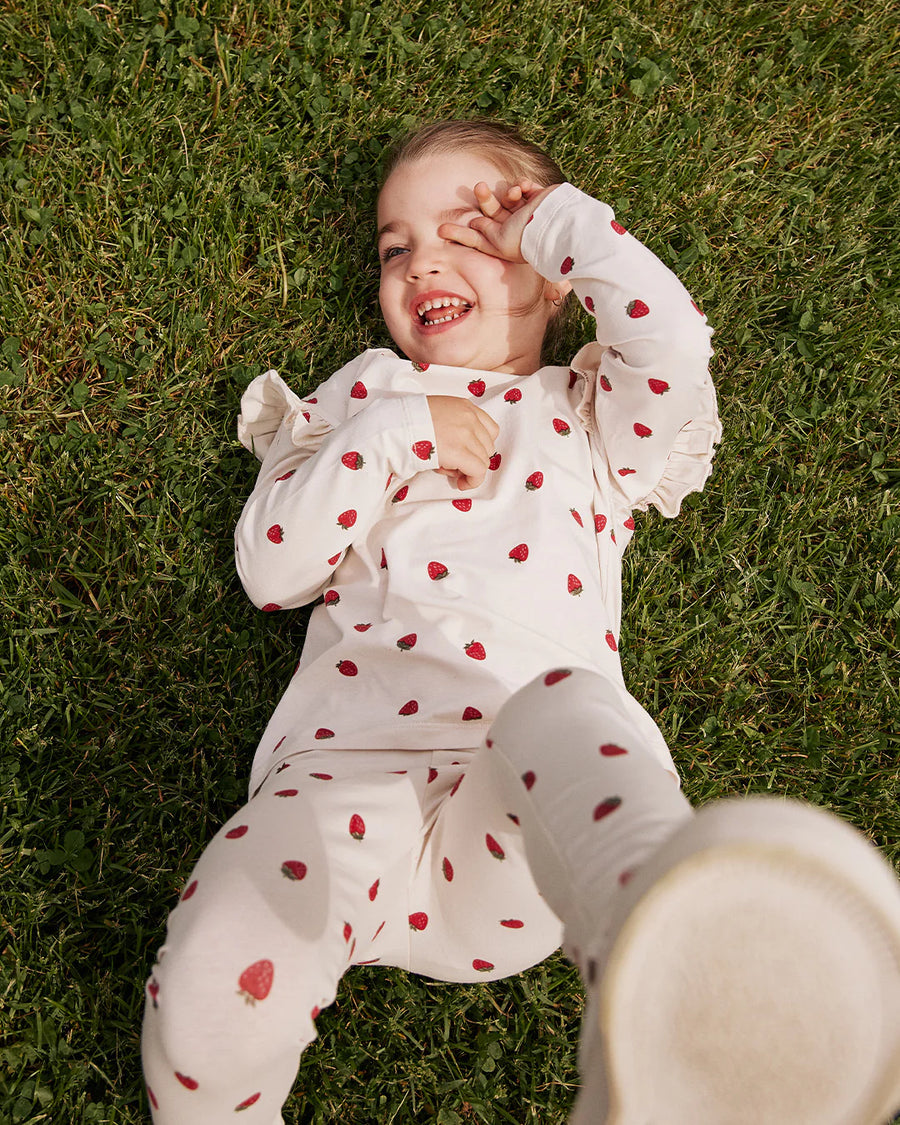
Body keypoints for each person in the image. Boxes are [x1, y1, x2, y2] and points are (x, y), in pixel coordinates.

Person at [141, 119, 900, 1124]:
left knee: (570, 709)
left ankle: (659, 933)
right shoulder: (366, 395)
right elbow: (271, 571)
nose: (424, 263)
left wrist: (563, 224)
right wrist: (393, 434)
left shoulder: (590, 416)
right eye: (395, 246)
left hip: (528, 824)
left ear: (554, 279)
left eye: (476, 231)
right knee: (217, 961)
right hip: (338, 788)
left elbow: (670, 337)